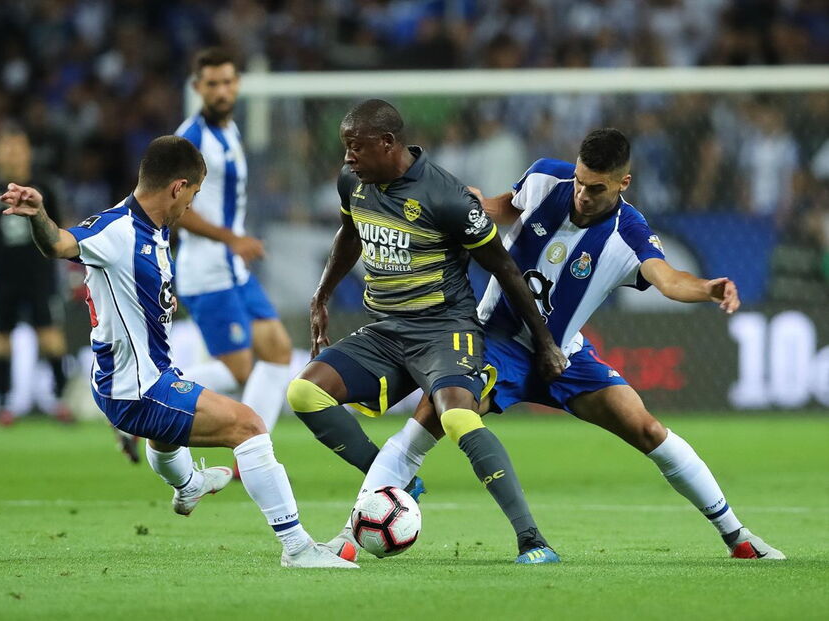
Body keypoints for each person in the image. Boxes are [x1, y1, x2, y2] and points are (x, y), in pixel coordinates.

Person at [334, 128, 785, 563]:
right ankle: (349, 534)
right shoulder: (547, 177)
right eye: (581, 181)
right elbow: (506, 208)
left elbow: (668, 280)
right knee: (431, 418)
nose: (582, 195)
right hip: (495, 339)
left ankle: (738, 536)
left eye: (596, 189)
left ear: (623, 183)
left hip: (563, 354)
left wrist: (708, 288)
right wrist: (476, 205)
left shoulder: (629, 232)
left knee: (646, 428)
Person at [0, 135, 356, 569]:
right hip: (137, 388)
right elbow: (56, 244)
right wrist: (39, 215)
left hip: (140, 378)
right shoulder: (117, 231)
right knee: (249, 426)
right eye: (193, 195)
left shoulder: (154, 230)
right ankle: (298, 549)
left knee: (167, 437)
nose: (191, 206)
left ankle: (188, 484)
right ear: (176, 187)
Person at [285, 99, 566, 562]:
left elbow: (507, 270)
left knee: (458, 418)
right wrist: (321, 296)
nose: (347, 158)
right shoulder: (353, 181)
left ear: (388, 143)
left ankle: (531, 539)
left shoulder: (447, 197)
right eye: (345, 148)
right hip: (387, 331)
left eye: (356, 147)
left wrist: (546, 343)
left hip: (445, 331)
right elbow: (350, 233)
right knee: (304, 393)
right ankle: (404, 483)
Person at [173, 48, 293, 471]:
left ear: (237, 83)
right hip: (206, 269)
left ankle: (251, 454)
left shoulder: (231, 130)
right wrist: (232, 238)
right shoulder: (192, 139)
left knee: (278, 351)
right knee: (239, 368)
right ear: (197, 87)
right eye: (212, 84)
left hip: (233, 267)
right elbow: (177, 209)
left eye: (228, 82)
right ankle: (147, 395)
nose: (222, 90)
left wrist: (236, 244)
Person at [0, 123, 73, 425]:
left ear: (28, 153)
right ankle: (2, 403)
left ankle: (60, 399)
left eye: (18, 147)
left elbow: (63, 230)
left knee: (50, 335)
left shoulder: (45, 187)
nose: (12, 154)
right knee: (0, 335)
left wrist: (72, 266)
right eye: (6, 147)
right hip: (0, 276)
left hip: (41, 274)